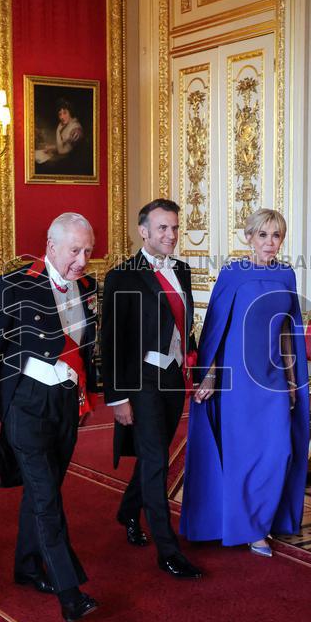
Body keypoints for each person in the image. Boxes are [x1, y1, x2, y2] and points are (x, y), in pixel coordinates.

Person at [0, 213, 99, 622]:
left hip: (64, 402)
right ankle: (69, 591)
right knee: (47, 497)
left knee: (44, 489)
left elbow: (89, 350)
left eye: (88, 250)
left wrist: (87, 399)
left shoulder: (88, 287)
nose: (82, 259)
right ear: (51, 246)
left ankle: (27, 566)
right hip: (24, 403)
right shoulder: (16, 283)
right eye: (75, 250)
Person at [180, 208, 310, 558]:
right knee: (244, 456)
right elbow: (215, 330)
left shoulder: (286, 275)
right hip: (237, 382)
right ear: (249, 236)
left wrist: (294, 380)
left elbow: (287, 330)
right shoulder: (233, 274)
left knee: (279, 452)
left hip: (273, 381)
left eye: (277, 236)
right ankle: (252, 529)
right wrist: (208, 373)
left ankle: (262, 518)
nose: (271, 242)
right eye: (263, 235)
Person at [101, 199, 204, 580]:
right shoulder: (122, 276)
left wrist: (191, 355)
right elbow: (111, 340)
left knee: (154, 454)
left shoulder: (182, 270)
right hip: (141, 379)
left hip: (173, 378)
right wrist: (118, 396)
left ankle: (129, 510)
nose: (171, 235)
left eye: (175, 227)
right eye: (162, 228)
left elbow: (183, 322)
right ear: (143, 231)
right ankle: (167, 549)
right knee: (158, 461)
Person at [34, 99, 85, 173]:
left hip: (72, 166)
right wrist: (52, 148)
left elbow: (63, 151)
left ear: (70, 113)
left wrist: (58, 130)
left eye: (65, 113)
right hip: (66, 161)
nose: (62, 117)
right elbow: (63, 146)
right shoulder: (65, 125)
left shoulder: (75, 129)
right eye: (60, 114)